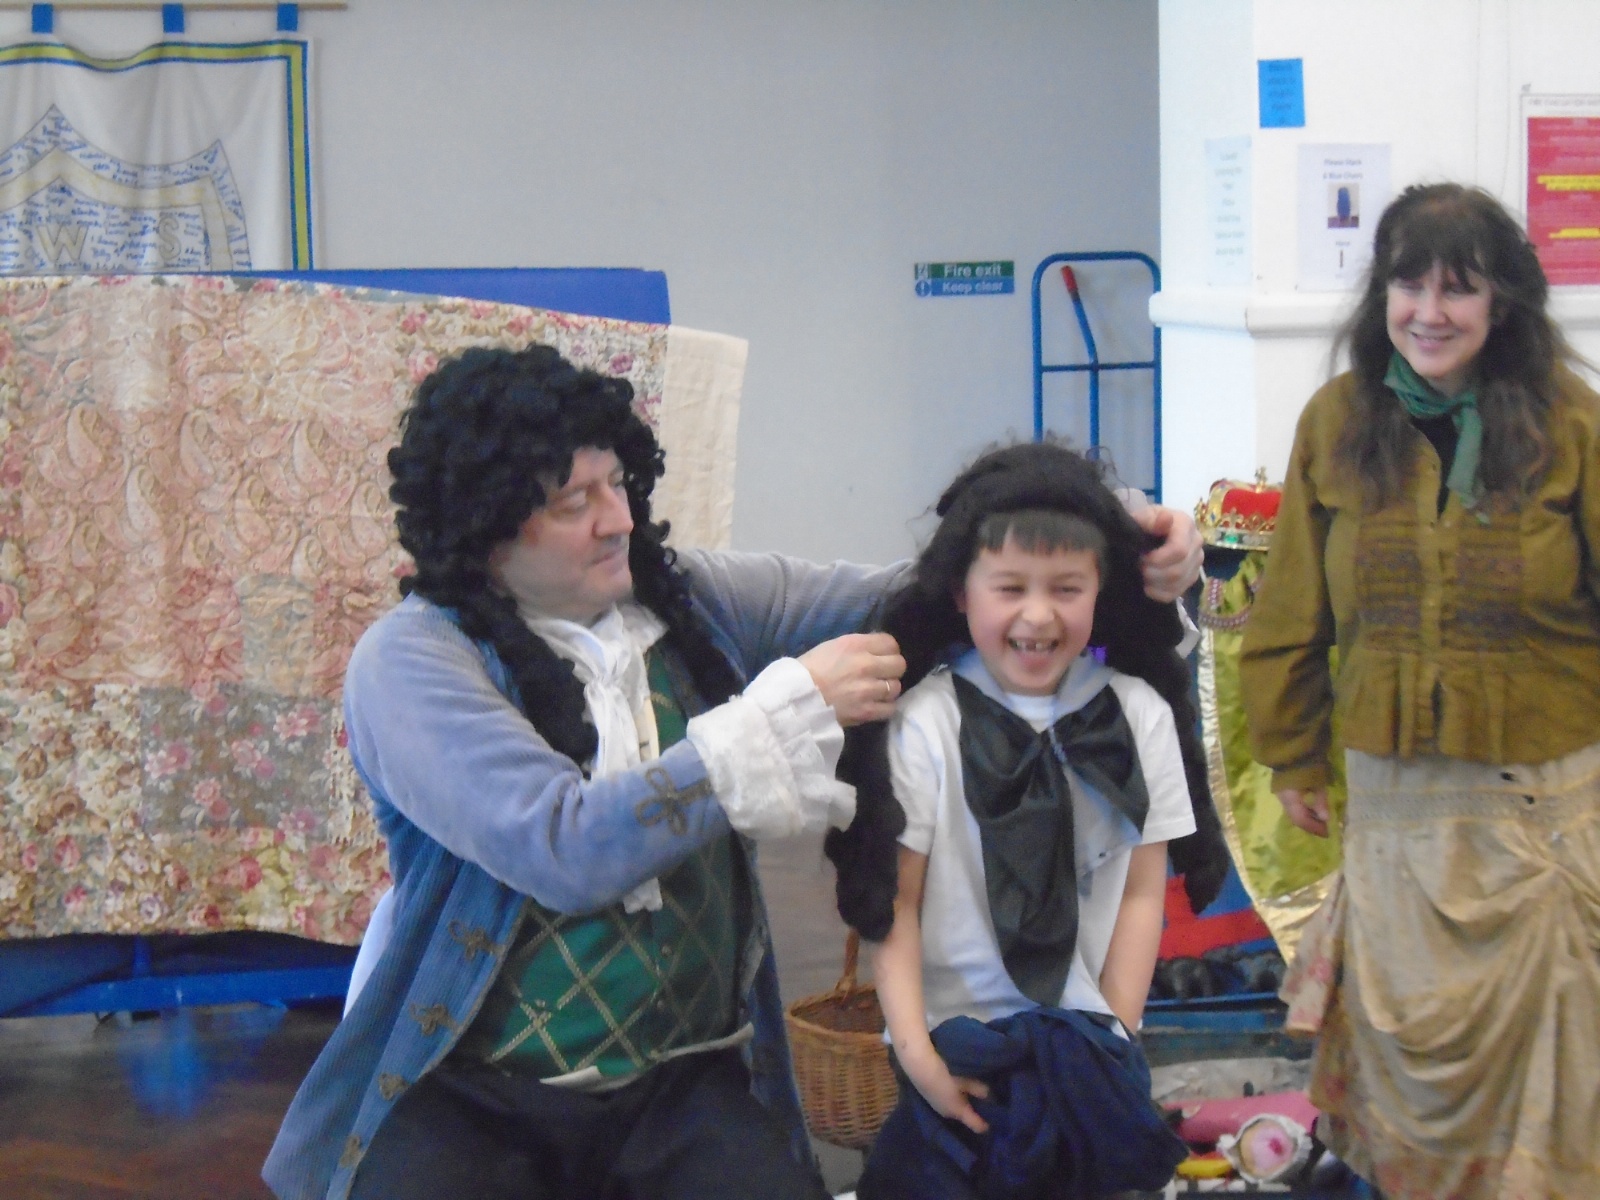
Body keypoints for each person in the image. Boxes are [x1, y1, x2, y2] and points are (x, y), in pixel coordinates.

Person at [264, 346, 1204, 1200]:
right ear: (484, 528)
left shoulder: (690, 598)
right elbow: (564, 848)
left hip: (679, 1085)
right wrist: (777, 717)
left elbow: (920, 593)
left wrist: (1099, 534)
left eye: (617, 483)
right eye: (573, 502)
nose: (616, 520)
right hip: (474, 1096)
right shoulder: (415, 661)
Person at [1239, 183, 1600, 1199]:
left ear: (1504, 303)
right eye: (1410, 286)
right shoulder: (1337, 421)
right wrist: (1294, 753)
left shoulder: (1574, 426)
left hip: (1545, 819)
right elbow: (1292, 607)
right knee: (1404, 1085)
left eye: (1459, 289)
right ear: (1381, 296)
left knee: (1557, 1093)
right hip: (1394, 816)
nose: (1429, 313)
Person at [827, 441, 1225, 1199]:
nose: (1037, 615)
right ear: (961, 592)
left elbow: (1143, 891)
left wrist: (1117, 1032)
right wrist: (917, 1058)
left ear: (1101, 589)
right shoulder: (924, 723)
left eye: (1066, 588)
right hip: (958, 1048)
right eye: (1009, 587)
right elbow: (895, 902)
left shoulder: (1140, 714)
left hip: (1088, 1048)